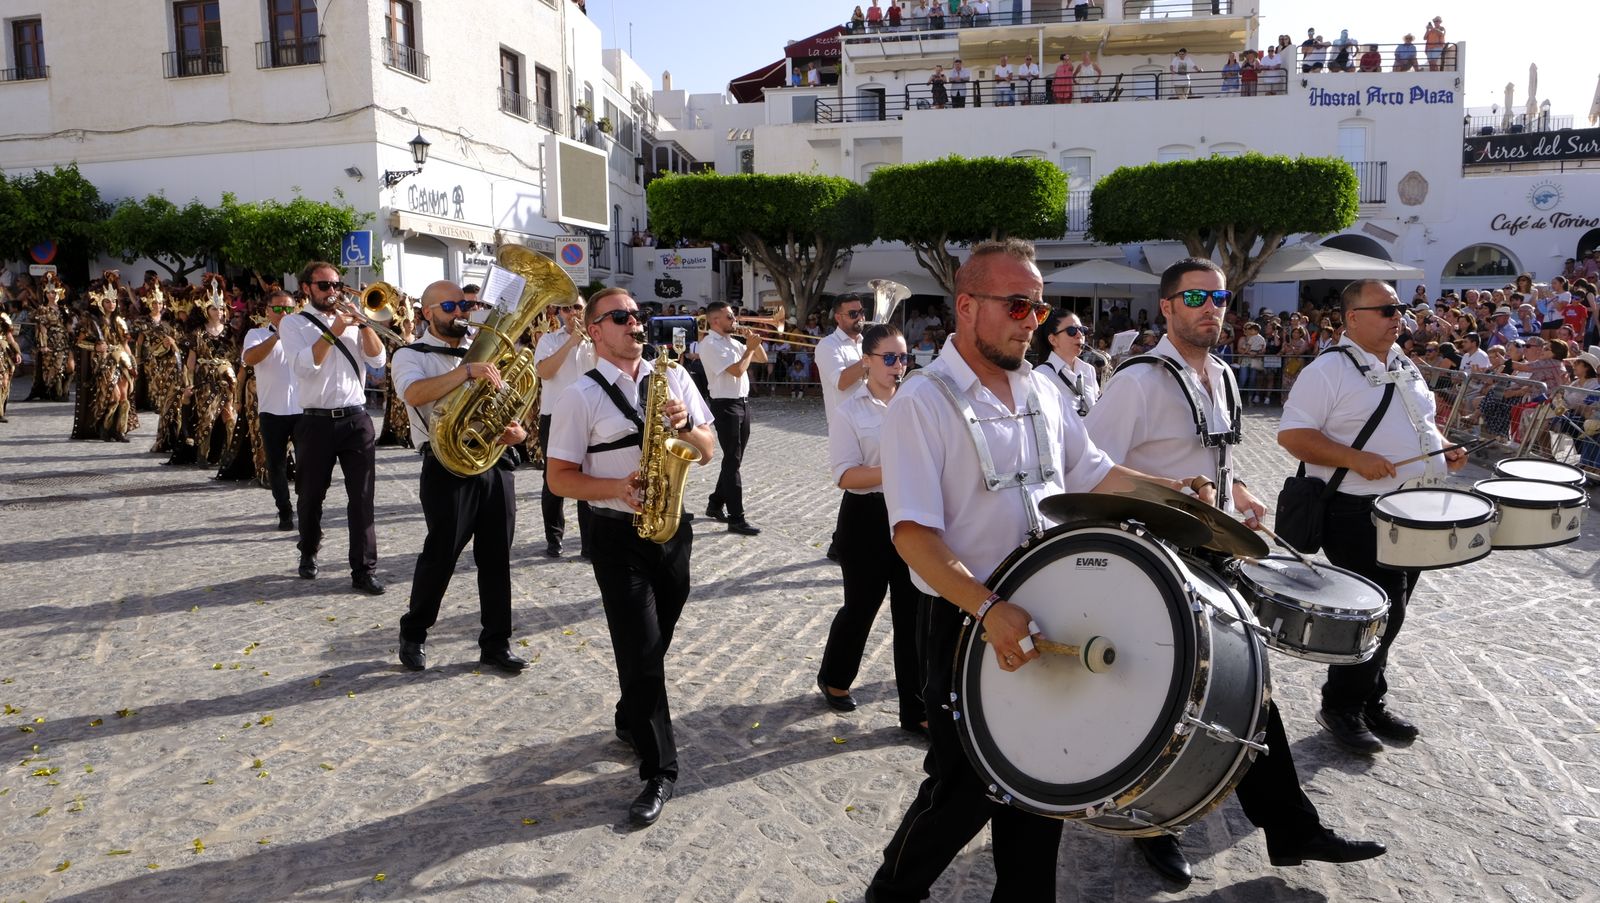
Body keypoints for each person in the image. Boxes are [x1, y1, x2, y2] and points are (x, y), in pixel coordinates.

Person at [866, 239, 1227, 901]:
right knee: (963, 790)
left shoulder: (1040, 388)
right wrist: (988, 608)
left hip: (1050, 611)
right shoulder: (923, 401)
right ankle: (889, 894)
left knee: (1040, 787)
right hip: (965, 620)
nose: (1031, 318)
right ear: (966, 305)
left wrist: (1174, 490)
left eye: (1038, 306)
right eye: (1017, 304)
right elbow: (914, 536)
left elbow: (1097, 472)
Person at [1087, 257, 1387, 885]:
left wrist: (1240, 491)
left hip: (1215, 553)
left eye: (1220, 297)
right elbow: (1090, 471)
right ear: (1166, 307)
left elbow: (1214, 457)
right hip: (1157, 561)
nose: (1210, 307)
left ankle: (1289, 826)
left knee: (1245, 691)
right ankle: (1154, 825)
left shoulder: (1221, 373)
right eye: (1194, 296)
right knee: (1164, 697)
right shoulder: (1138, 381)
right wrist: (1171, 494)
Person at [545, 287, 717, 827]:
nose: (634, 323)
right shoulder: (579, 396)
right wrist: (617, 486)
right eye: (620, 317)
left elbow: (708, 449)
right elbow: (558, 478)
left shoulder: (675, 377)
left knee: (654, 640)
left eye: (637, 315)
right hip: (615, 534)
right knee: (641, 652)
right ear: (594, 330)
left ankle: (629, 713)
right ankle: (659, 770)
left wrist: (685, 424)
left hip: (672, 528)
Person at [1279, 280, 1467, 755]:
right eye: (1385, 310)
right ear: (1352, 318)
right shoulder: (1327, 370)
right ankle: (1341, 705)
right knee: (1383, 612)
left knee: (1394, 613)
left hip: (1414, 506)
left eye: (1399, 308)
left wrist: (1443, 447)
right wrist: (1353, 459)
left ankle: (1368, 699)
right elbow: (1293, 436)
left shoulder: (1403, 364)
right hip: (1358, 510)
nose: (1396, 317)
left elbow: (1420, 423)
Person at [392, 280, 528, 674]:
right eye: (449, 305)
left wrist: (516, 432)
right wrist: (467, 371)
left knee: (497, 556)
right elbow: (414, 395)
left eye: (463, 306)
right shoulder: (410, 354)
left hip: (493, 460)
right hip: (445, 464)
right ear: (427, 312)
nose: (459, 312)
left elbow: (508, 404)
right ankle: (414, 633)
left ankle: (496, 643)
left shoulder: (486, 351)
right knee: (441, 554)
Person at [817, 324, 924, 734]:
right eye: (890, 358)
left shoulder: (916, 404)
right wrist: (894, 468)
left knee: (912, 613)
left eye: (903, 358)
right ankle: (835, 677)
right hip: (865, 518)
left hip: (910, 514)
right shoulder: (849, 411)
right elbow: (844, 476)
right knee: (861, 607)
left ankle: (915, 711)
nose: (899, 366)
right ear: (867, 361)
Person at [279, 261, 387, 595]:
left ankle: (364, 569)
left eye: (336, 285)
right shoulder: (293, 324)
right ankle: (309, 548)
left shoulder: (352, 320)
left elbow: (379, 362)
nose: (332, 292)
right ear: (306, 288)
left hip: (356, 418)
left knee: (363, 497)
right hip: (315, 421)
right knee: (310, 495)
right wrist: (334, 331)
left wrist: (365, 326)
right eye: (324, 286)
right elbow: (304, 365)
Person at [533, 298, 596, 557]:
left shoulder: (597, 342)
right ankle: (554, 538)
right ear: (559, 313)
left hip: (591, 417)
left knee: (589, 478)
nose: (572, 314)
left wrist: (589, 340)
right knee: (554, 481)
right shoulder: (548, 340)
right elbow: (544, 373)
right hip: (556, 417)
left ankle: (589, 543)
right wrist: (571, 342)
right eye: (567, 309)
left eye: (577, 308)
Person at [699, 301, 768, 536]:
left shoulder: (731, 342)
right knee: (732, 460)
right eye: (729, 317)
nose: (735, 320)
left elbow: (762, 359)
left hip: (742, 403)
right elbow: (738, 370)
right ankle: (736, 518)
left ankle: (715, 503)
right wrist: (748, 349)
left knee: (733, 460)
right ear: (715, 320)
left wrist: (754, 345)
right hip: (725, 405)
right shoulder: (709, 345)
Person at [241, 290, 304, 530]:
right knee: (276, 465)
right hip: (272, 411)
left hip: (302, 410)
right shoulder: (255, 334)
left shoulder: (303, 335)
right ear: (267, 311)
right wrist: (277, 337)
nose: (284, 313)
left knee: (307, 464)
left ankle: (305, 507)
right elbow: (250, 358)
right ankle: (284, 511)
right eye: (278, 309)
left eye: (288, 308)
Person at [817, 294, 869, 561]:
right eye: (853, 314)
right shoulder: (827, 346)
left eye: (861, 312)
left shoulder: (865, 343)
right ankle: (841, 544)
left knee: (862, 487)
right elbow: (842, 381)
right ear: (838, 318)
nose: (860, 317)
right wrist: (871, 358)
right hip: (845, 425)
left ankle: (840, 543)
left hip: (871, 420)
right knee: (852, 484)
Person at [1032, 309, 1098, 416]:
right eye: (1071, 331)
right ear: (1053, 340)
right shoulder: (1040, 375)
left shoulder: (1089, 370)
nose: (1080, 335)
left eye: (1082, 330)